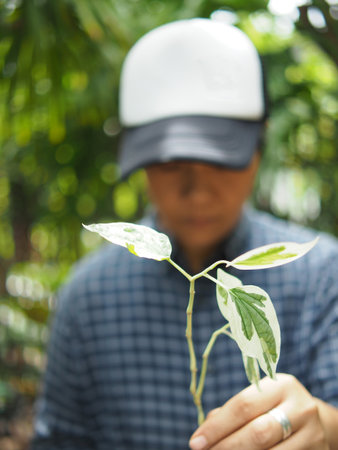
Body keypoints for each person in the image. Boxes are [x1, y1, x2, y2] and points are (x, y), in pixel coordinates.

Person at [31, 18, 338, 449]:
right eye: (171, 164)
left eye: (220, 162)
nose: (196, 192)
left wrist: (324, 426)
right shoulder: (88, 299)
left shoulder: (323, 278)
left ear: (259, 147)